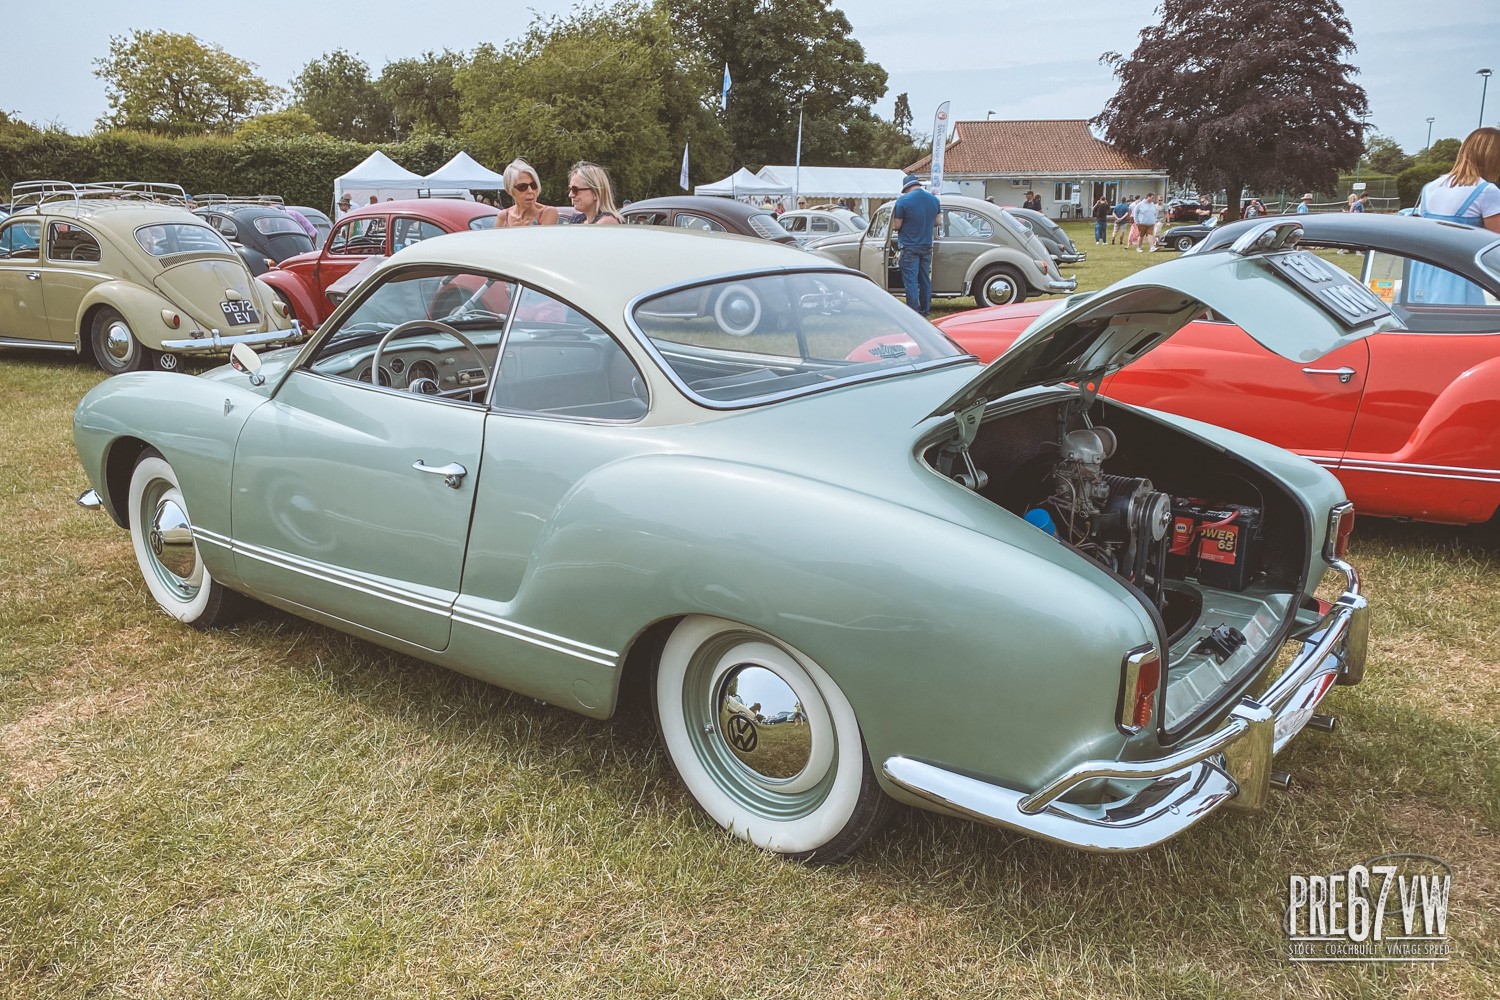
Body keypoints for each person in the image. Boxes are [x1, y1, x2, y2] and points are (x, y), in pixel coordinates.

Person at [1408, 126, 1500, 303]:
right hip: (1459, 276)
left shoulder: (1430, 187)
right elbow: (1496, 247)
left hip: (1421, 273)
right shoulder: (1487, 191)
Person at [889, 173, 941, 316]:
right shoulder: (934, 200)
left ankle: (913, 312)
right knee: (924, 279)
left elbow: (897, 225)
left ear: (906, 188)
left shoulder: (903, 201)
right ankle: (926, 309)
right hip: (926, 245)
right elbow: (938, 222)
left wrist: (894, 223)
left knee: (911, 281)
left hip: (909, 245)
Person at [495, 158, 559, 227]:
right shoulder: (503, 217)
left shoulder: (548, 213)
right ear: (510, 190)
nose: (530, 191)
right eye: (522, 187)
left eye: (534, 185)